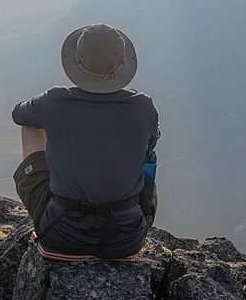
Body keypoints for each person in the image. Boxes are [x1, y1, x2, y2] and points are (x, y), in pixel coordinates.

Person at [12, 23, 160, 261]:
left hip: (61, 235)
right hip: (126, 240)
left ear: (77, 61)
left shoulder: (54, 101)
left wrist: (61, 127)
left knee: (31, 125)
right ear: (122, 62)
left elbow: (18, 114)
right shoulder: (144, 106)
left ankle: (61, 208)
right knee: (145, 162)